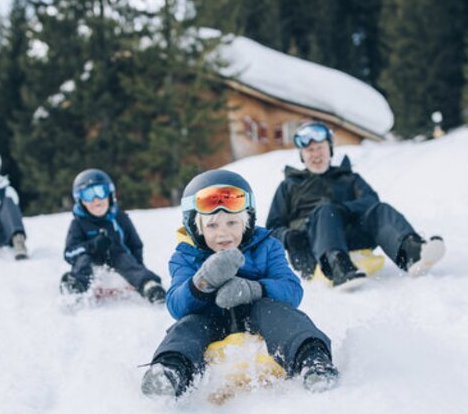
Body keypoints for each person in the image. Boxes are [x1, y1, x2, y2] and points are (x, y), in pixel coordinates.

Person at [140, 169, 340, 399]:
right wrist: (202, 282)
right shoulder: (185, 257)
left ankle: (312, 360)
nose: (223, 233)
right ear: (197, 228)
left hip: (260, 317)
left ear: (247, 222)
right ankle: (170, 371)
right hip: (210, 320)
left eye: (232, 222)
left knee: (281, 314)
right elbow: (176, 305)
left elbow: (292, 290)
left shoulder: (268, 246)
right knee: (187, 326)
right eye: (212, 225)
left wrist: (255, 289)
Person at [266, 121, 445, 286]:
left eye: (320, 148)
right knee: (326, 210)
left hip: (350, 237)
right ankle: (337, 267)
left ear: (330, 150)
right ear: (302, 156)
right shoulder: (289, 186)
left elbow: (371, 201)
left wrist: (344, 209)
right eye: (310, 151)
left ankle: (412, 252)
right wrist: (288, 236)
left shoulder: (348, 178)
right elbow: (272, 228)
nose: (316, 155)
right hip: (310, 248)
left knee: (379, 209)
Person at [62, 169, 167, 304]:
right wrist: (91, 246)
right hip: (91, 265)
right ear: (81, 200)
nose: (96, 199)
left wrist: (138, 266)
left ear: (110, 194)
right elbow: (69, 253)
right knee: (83, 259)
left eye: (100, 192)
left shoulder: (119, 218)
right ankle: (76, 288)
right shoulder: (78, 224)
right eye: (88, 195)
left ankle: (149, 286)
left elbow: (135, 244)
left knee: (123, 257)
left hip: (117, 261)